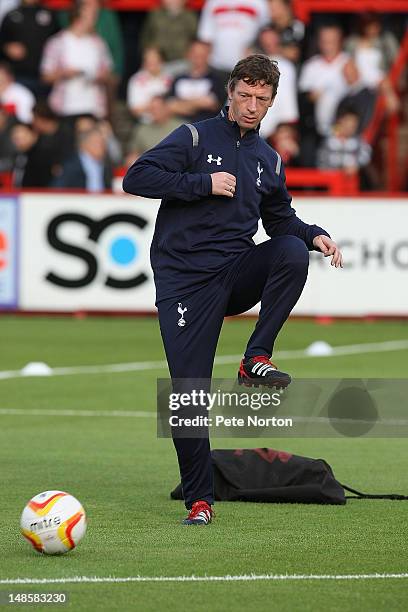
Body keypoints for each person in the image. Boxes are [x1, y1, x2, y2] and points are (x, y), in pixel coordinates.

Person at [123, 54, 342, 525]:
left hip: (234, 270)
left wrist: (314, 234)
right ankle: (200, 500)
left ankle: (254, 358)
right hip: (185, 282)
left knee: (288, 249)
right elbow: (135, 177)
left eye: (261, 99)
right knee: (188, 395)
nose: (250, 106)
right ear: (230, 91)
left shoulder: (268, 157)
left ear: (271, 102)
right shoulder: (195, 136)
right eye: (244, 95)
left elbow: (280, 218)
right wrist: (202, 182)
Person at [40, 1, 113, 121]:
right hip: (65, 108)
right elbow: (45, 76)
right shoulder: (57, 42)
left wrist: (99, 76)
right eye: (91, 15)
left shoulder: (98, 43)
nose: (95, 19)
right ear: (78, 17)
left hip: (93, 109)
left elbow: (108, 72)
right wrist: (64, 73)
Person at [0, 0, 59, 95]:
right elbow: (2, 41)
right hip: (18, 77)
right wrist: (7, 48)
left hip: (45, 78)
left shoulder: (49, 14)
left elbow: (59, 40)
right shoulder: (11, 15)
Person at [198, 0, 269, 72]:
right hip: (216, 66)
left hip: (248, 67)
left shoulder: (259, 2)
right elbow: (205, 36)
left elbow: (266, 33)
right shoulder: (212, 2)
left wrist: (254, 48)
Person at [256, 25, 298, 140]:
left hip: (275, 132)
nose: (269, 43)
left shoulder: (285, 66)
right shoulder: (251, 63)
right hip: (250, 128)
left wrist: (287, 127)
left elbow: (287, 100)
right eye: (265, 40)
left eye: (272, 39)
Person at [167, 40, 225, 123]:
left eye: (202, 54)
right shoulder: (178, 78)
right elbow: (170, 105)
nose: (198, 57)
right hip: (178, 126)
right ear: (188, 54)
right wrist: (198, 103)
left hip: (205, 125)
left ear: (208, 55)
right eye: (195, 53)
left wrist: (182, 104)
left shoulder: (215, 79)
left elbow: (212, 103)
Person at [140, 0, 197, 72]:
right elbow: (146, 37)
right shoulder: (155, 14)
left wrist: (191, 55)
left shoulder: (190, 16)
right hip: (158, 62)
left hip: (182, 61)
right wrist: (148, 55)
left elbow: (195, 39)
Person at [126, 95, 181, 166]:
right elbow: (133, 154)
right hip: (149, 168)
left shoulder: (180, 127)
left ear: (166, 108)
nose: (153, 111)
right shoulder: (142, 129)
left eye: (157, 108)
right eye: (151, 109)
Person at [53, 126, 112, 191]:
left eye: (103, 142)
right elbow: (57, 188)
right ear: (84, 144)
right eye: (97, 142)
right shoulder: (71, 165)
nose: (102, 146)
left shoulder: (106, 165)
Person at [127, 47, 172, 123]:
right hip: (145, 123)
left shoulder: (170, 79)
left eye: (155, 59)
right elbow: (134, 110)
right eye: (148, 60)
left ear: (162, 61)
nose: (151, 63)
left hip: (168, 123)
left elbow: (175, 105)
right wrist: (157, 106)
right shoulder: (136, 80)